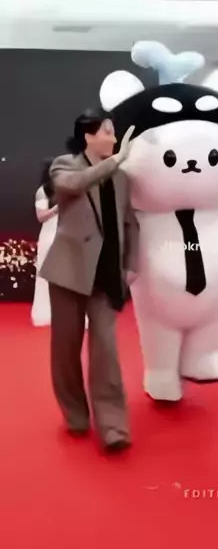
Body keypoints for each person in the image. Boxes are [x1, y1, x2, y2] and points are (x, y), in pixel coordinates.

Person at [40, 111, 138, 452]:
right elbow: (73, 185)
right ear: (88, 135)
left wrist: (131, 265)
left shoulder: (123, 178)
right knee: (65, 349)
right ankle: (76, 415)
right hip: (69, 272)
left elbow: (130, 224)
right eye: (108, 132)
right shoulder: (64, 165)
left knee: (106, 350)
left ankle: (113, 426)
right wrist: (115, 162)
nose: (115, 138)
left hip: (108, 274)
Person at [31, 159, 58, 327]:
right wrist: (57, 208)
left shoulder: (71, 189)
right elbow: (41, 216)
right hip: (49, 238)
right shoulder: (43, 191)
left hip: (69, 238)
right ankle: (45, 313)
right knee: (46, 278)